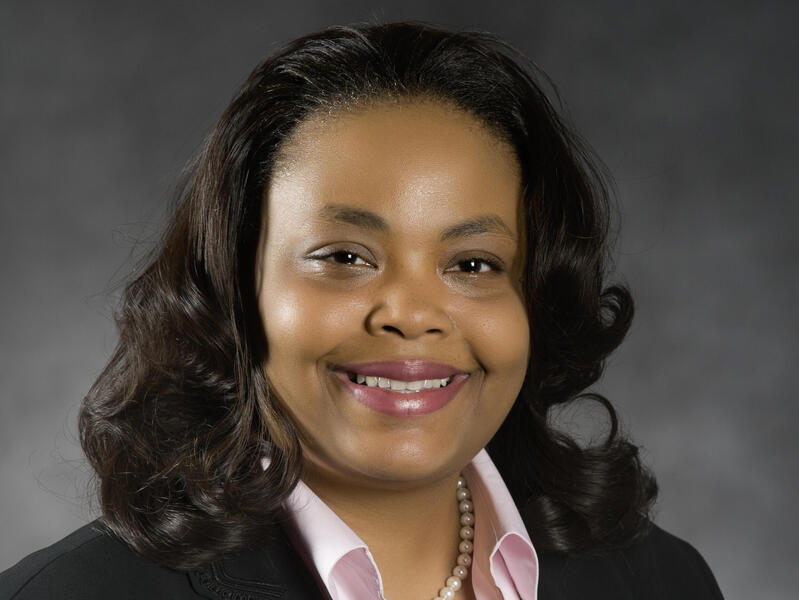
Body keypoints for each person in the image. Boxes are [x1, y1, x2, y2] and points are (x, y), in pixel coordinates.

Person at [0, 21, 724, 600]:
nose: (411, 314)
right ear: (235, 290)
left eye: (473, 264)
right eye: (345, 256)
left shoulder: (661, 581)